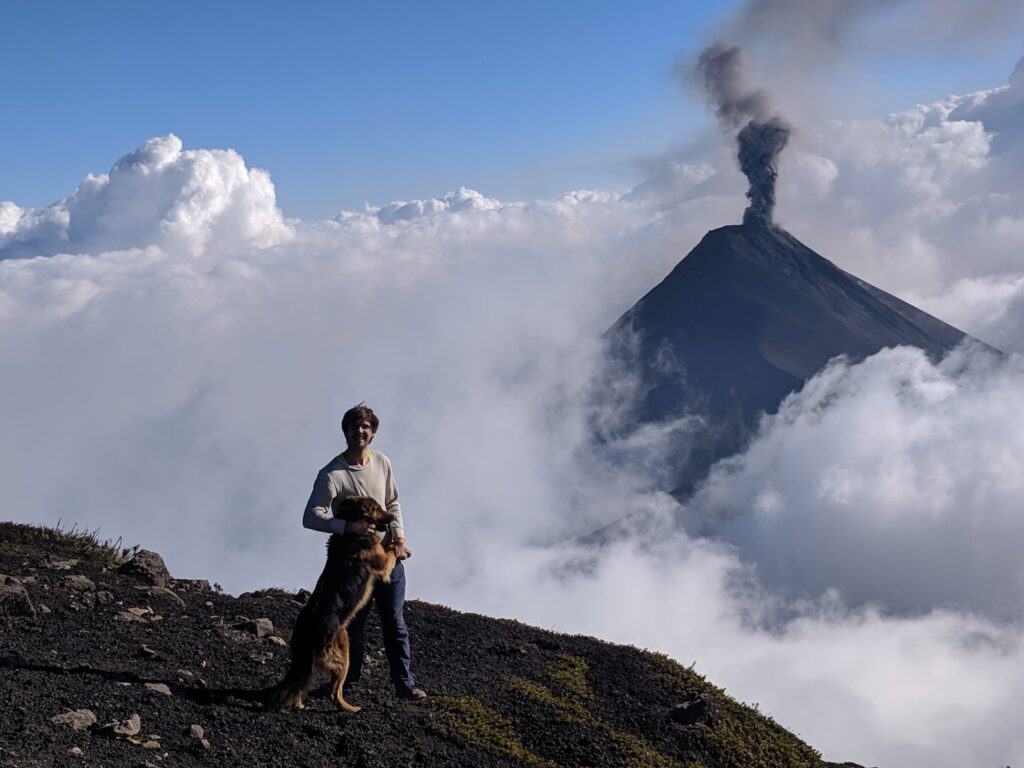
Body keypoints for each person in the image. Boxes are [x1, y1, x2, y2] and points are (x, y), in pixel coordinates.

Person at [302, 403, 426, 702]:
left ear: (373, 432)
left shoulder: (382, 462)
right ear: (345, 431)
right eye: (355, 426)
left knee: (394, 620)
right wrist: (346, 527)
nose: (360, 431)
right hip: (354, 565)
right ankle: (349, 681)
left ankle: (404, 685)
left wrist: (398, 536)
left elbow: (392, 503)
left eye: (366, 427)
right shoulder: (332, 474)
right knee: (353, 626)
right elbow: (311, 516)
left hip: (385, 554)